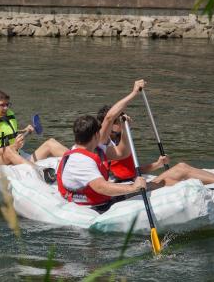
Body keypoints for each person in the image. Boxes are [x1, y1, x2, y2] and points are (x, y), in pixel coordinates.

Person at [96, 104, 214, 191]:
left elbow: (132, 169)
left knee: (181, 167)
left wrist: (157, 164)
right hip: (127, 188)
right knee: (178, 179)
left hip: (134, 180)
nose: (126, 122)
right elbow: (120, 175)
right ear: (109, 124)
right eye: (120, 120)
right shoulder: (105, 144)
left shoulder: (120, 138)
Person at [56, 80, 149, 212]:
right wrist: (134, 93)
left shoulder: (94, 148)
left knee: (159, 183)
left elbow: (122, 153)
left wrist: (123, 128)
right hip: (94, 207)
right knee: (156, 184)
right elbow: (101, 187)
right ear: (95, 135)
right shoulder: (81, 160)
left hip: (102, 200)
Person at [0, 89, 68, 165]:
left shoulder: (5, 116)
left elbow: (6, 133)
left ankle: (79, 160)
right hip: (1, 163)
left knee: (50, 143)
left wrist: (24, 131)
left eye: (7, 104)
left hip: (17, 157)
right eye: (2, 105)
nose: (6, 108)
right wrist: (14, 146)